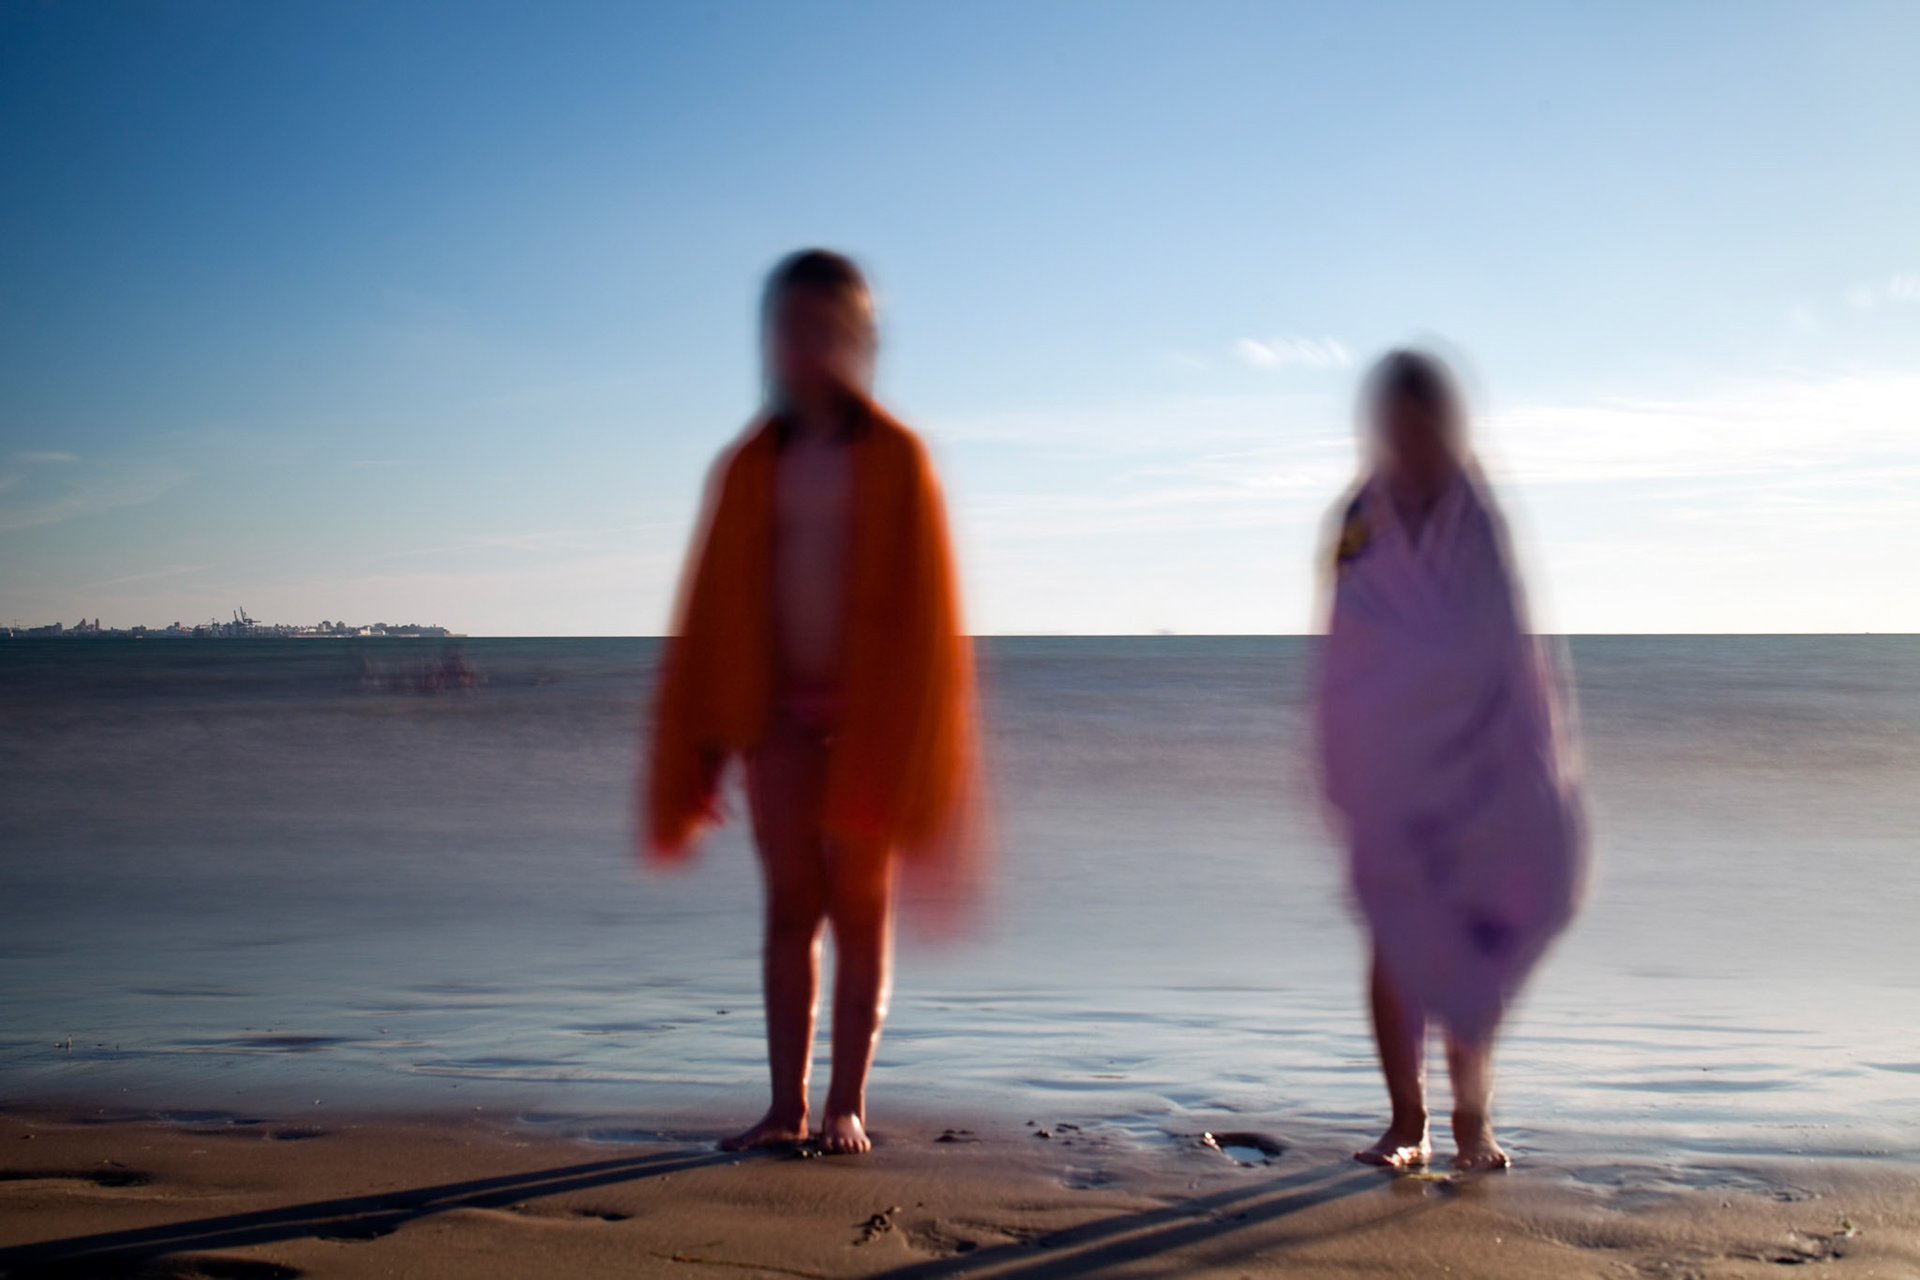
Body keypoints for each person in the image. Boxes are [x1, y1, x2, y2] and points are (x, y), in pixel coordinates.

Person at [644, 249, 979, 1155]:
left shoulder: (900, 459)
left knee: (862, 908)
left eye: (828, 331)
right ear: (769, 342)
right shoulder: (751, 463)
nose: (808, 348)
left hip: (871, 721)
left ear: (862, 342)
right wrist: (702, 743)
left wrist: (926, 748)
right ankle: (784, 1106)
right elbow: (713, 608)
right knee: (792, 906)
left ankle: (847, 1105)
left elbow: (930, 616)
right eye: (791, 329)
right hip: (779, 715)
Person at [1315, 350, 1587, 1173]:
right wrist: (1367, 745)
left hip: (1484, 768)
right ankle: (1409, 1121)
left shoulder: (1478, 518)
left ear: (1448, 428)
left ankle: (1474, 1121)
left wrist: (1522, 759)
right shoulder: (1361, 516)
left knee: (1472, 947)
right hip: (1391, 767)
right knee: (1394, 940)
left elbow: (1507, 638)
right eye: (1394, 432)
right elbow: (1350, 641)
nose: (1410, 447)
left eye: (1422, 430)